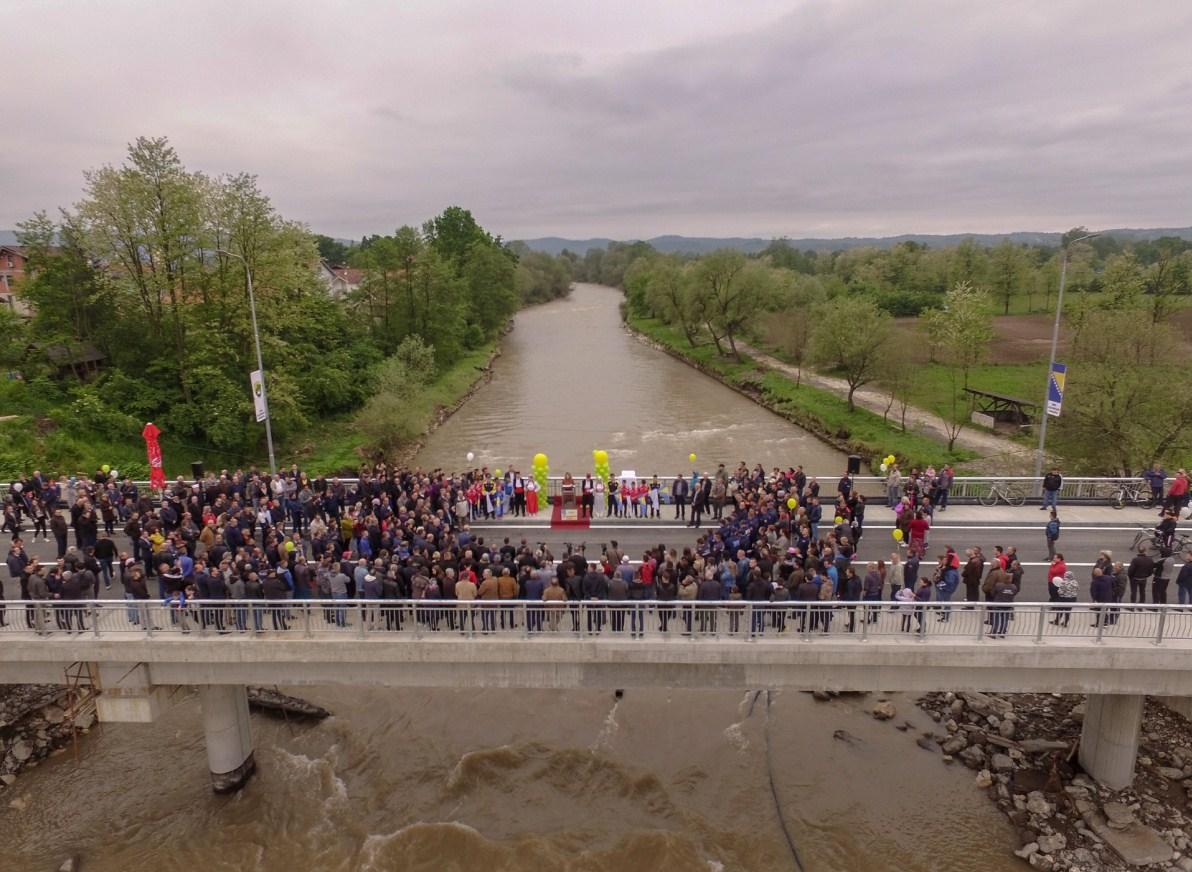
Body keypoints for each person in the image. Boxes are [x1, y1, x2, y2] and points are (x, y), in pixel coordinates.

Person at [988, 571, 1018, 638]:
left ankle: (993, 632)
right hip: (1007, 605)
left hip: (998, 604)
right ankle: (1002, 632)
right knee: (1005, 620)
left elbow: (992, 593)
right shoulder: (1014, 587)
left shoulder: (998, 585)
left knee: (996, 619)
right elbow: (1014, 594)